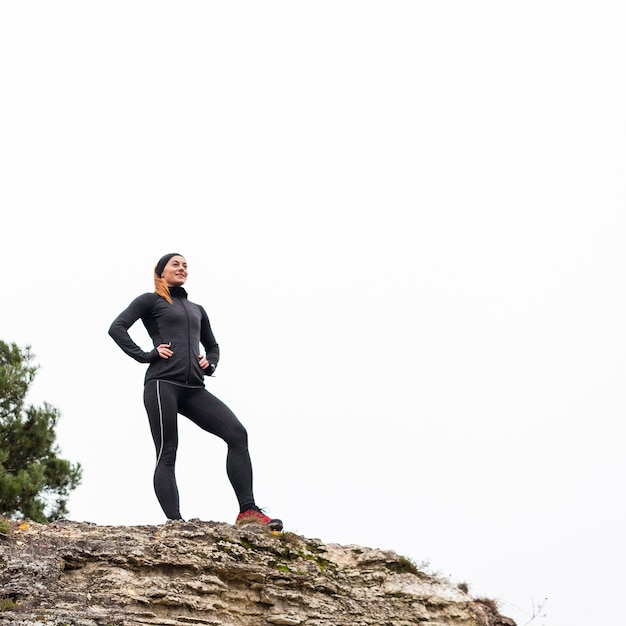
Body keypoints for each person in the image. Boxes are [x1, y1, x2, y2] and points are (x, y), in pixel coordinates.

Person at [108, 253, 282, 531]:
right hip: (161, 384)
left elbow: (213, 346)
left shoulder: (197, 308)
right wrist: (146, 355)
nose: (182, 268)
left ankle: (247, 510)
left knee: (237, 434)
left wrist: (209, 362)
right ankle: (176, 523)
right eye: (175, 264)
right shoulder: (150, 300)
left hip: (193, 388)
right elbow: (116, 328)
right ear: (161, 272)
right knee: (168, 451)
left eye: (185, 265)